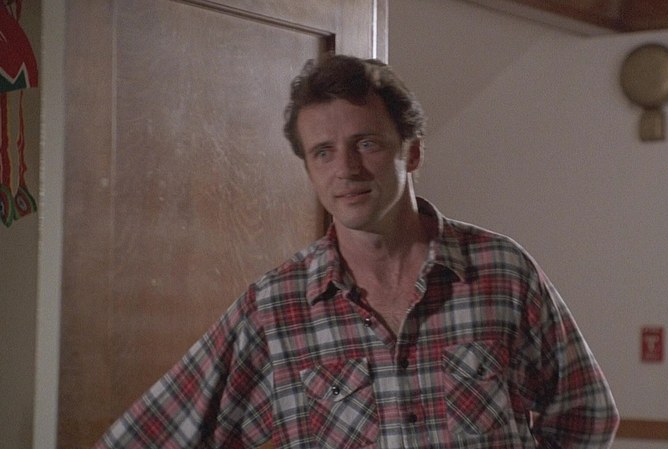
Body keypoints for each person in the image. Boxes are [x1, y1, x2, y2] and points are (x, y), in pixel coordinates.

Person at [94, 54, 619, 449]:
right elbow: (143, 437)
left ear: (412, 152)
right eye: (323, 153)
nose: (345, 169)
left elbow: (586, 414)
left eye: (366, 144)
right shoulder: (274, 308)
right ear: (309, 170)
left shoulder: (501, 272)